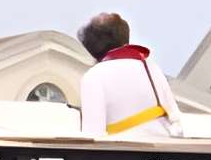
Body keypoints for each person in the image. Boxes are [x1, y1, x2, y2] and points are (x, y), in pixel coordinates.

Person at [74, 12, 185, 142]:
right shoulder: (150, 67)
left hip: (123, 156)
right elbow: (175, 118)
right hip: (163, 154)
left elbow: (93, 135)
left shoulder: (94, 76)